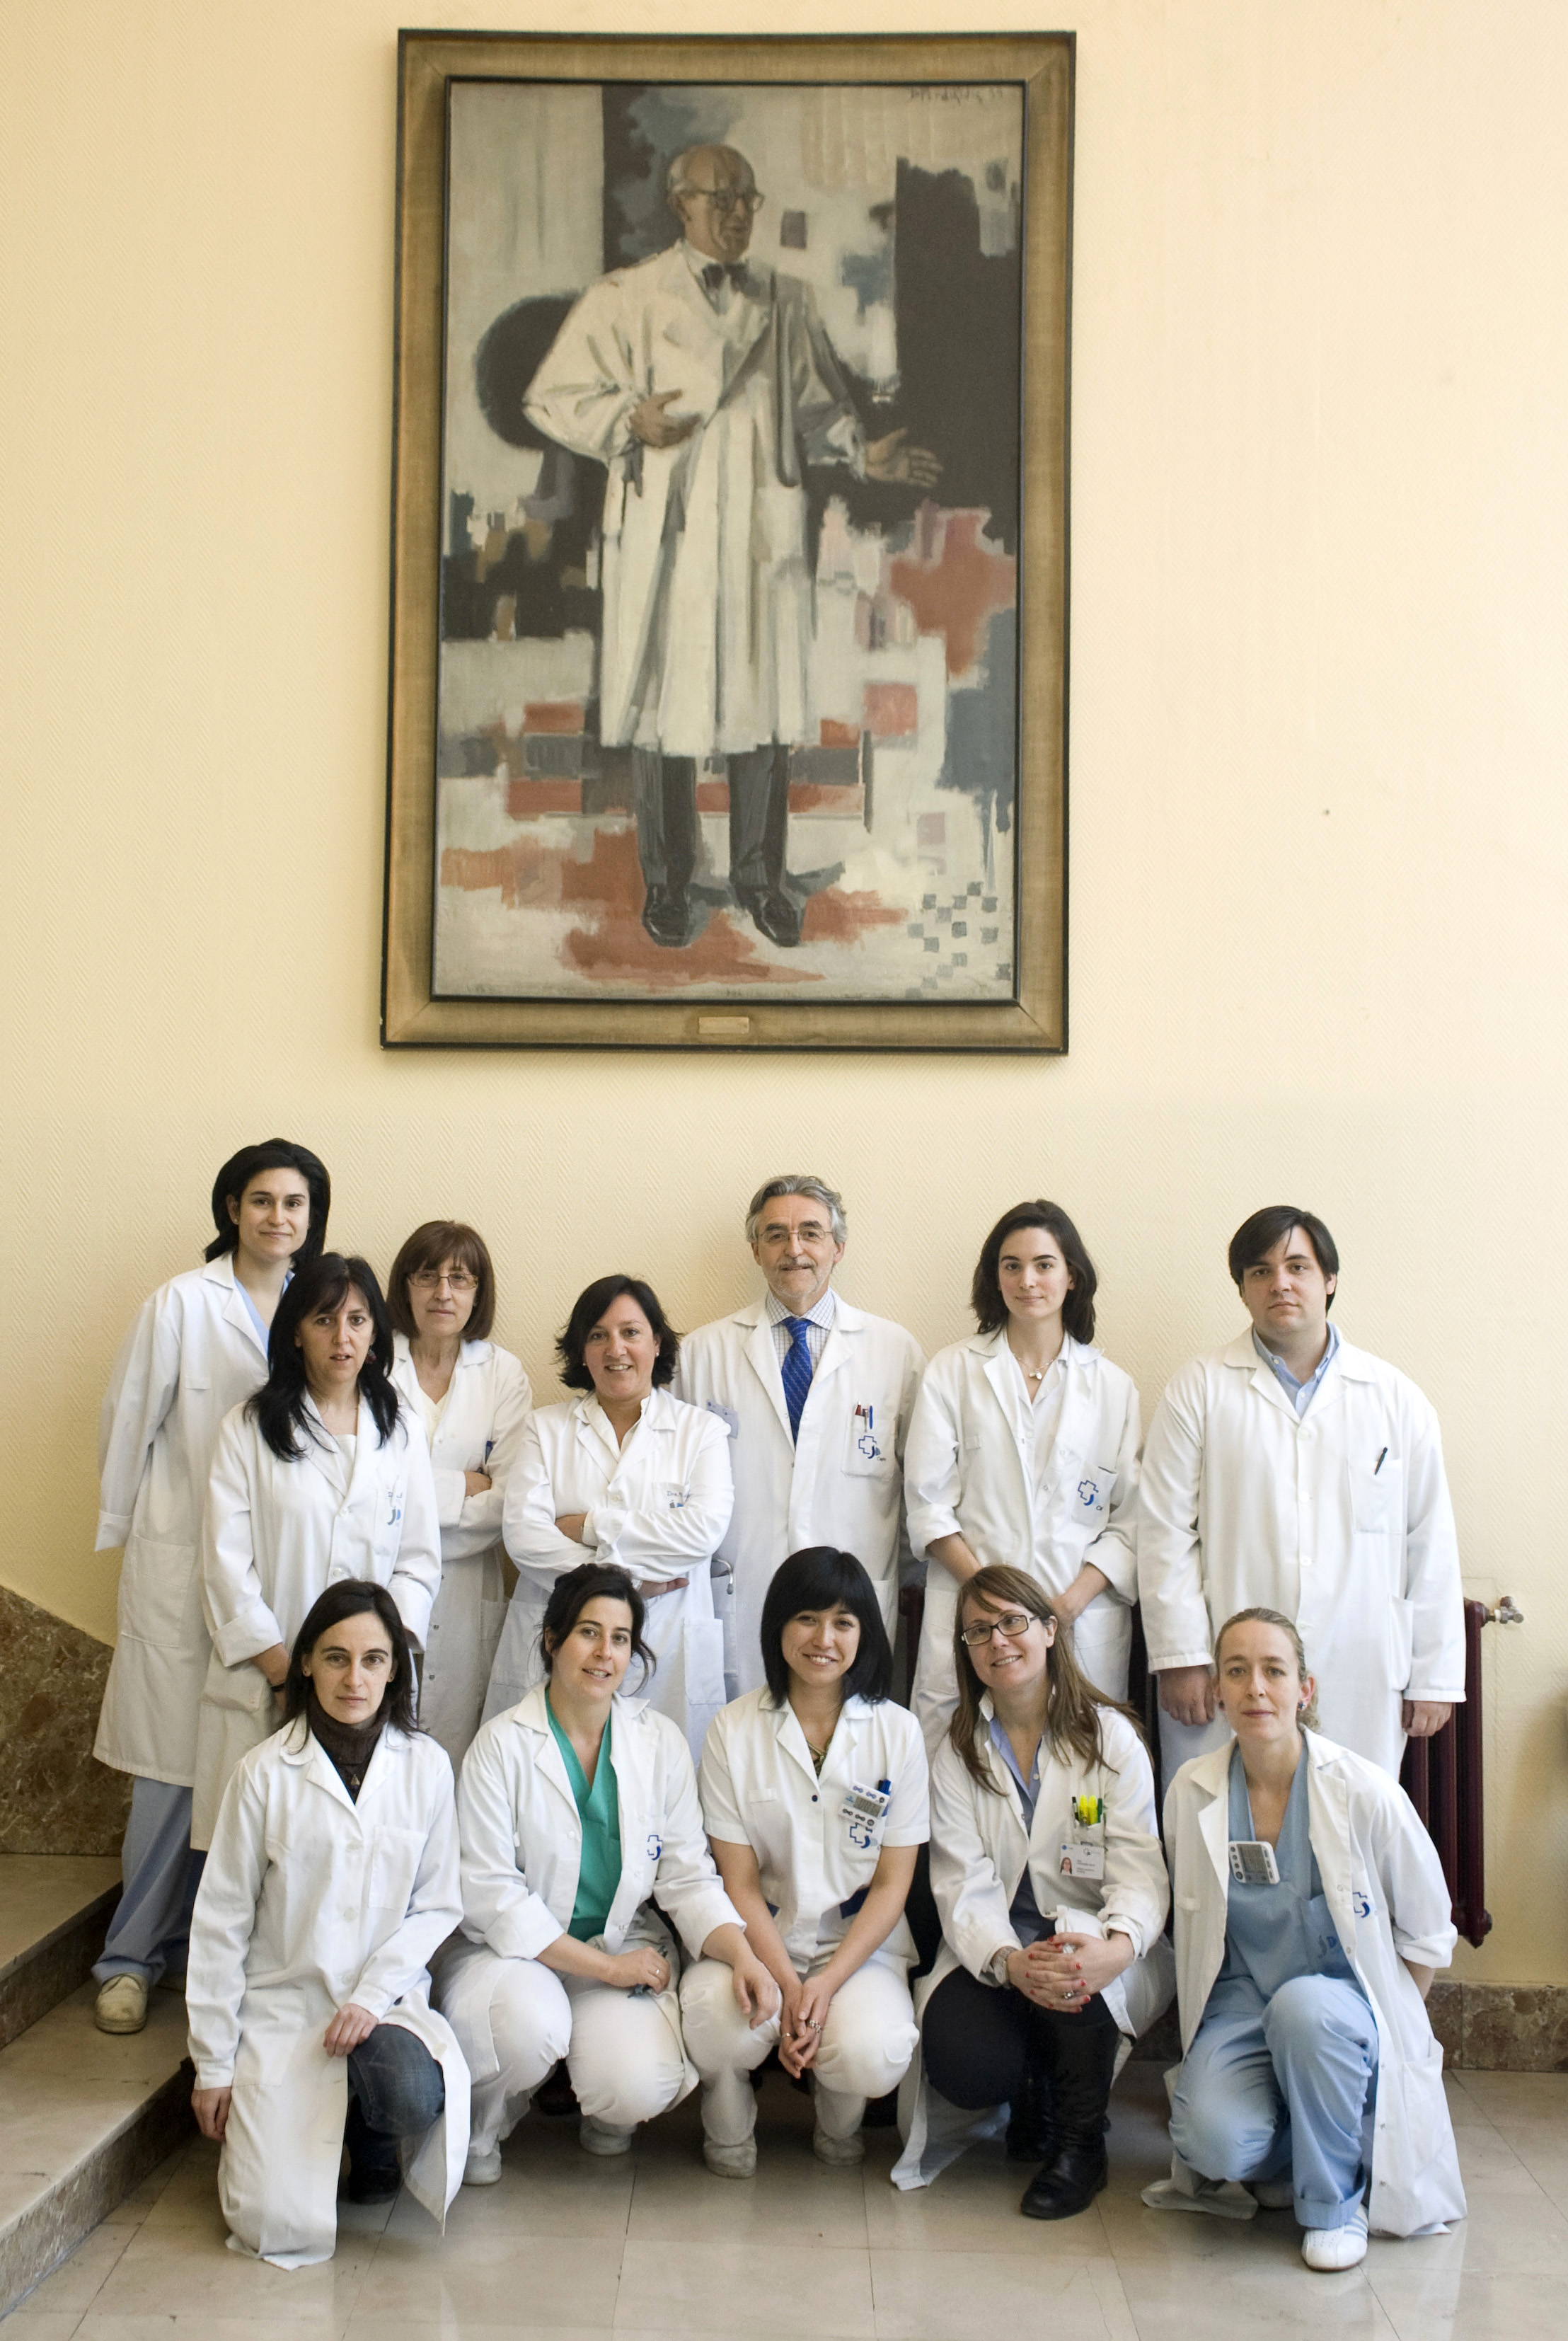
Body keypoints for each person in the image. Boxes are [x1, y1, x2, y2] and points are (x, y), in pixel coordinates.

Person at [524, 143, 940, 950]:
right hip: (669, 532)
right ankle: (668, 881)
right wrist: (625, 420)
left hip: (757, 530)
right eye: (721, 198)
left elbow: (819, 411)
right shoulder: (626, 297)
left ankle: (760, 878)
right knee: (664, 710)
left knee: (763, 705)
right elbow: (552, 396)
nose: (738, 212)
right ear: (679, 204)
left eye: (747, 198)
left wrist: (864, 454)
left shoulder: (786, 300)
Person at [91, 1139, 330, 2037]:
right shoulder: (182, 1303)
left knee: (249, 1784)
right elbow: (127, 1419)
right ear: (232, 1207)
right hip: (181, 1565)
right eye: (262, 1199)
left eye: (295, 1202)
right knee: (169, 1780)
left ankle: (209, 1954)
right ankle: (127, 1958)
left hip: (274, 1582)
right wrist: (128, 1530)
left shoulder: (318, 1307)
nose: (278, 1217)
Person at [1146, 1608, 1465, 2269]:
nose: (1256, 1688)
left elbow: (1429, 1931)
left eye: (1274, 1670)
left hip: (1339, 2012)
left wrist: (1390, 2029)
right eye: (1237, 1671)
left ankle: (1334, 2207)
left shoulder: (1364, 1791)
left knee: (1304, 2009)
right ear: (1218, 1690)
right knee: (1210, 2141)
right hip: (1242, 2002)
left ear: (1305, 1688)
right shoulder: (1192, 1791)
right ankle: (1295, 2149)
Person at [438, 1564, 778, 2180]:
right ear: (552, 1640)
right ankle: (482, 2127)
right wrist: (609, 1970)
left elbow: (688, 1877)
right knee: (527, 2024)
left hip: (616, 1945)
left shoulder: (659, 1743)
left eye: (620, 1638)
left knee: (634, 2084)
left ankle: (607, 2111)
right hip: (514, 1958)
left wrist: (744, 1954)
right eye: (588, 1633)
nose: (605, 1654)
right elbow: (492, 1897)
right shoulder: (500, 1746)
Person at [186, 1581, 469, 2270]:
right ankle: (298, 2124)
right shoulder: (263, 1773)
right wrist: (213, 2065)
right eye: (337, 1657)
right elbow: (221, 1922)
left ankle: (372, 2141)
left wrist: (370, 1997)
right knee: (268, 2223)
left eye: (374, 1659)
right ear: (306, 1661)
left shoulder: (426, 1767)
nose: (354, 1678)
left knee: (408, 2090)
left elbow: (437, 1905)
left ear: (395, 1669)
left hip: (384, 2003)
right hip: (285, 2009)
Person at [1137, 1205, 1465, 1781]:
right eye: (1260, 1272)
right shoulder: (1198, 1388)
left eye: (1297, 1267)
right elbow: (1164, 1530)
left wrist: (1434, 1676)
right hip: (1227, 1668)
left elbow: (1429, 1539)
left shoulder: (1395, 1399)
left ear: (1329, 1280)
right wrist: (1182, 1657)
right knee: (1223, 1817)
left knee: (1350, 1816)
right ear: (1242, 1289)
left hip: (1359, 1662)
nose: (1280, 1284)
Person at [893, 1566, 1173, 2214]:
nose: (998, 1640)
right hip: (1004, 1946)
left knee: (1074, 1969)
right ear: (967, 1651)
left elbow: (1140, 1869)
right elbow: (961, 1882)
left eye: (1013, 1622)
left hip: (1092, 1937)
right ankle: (1031, 2091)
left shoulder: (1110, 1738)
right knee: (964, 2061)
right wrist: (1010, 1961)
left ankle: (1081, 2146)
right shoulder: (958, 1752)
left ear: (1050, 1630)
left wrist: (1117, 1948)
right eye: (978, 1631)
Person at [682, 1546, 928, 2177]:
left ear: (865, 1634)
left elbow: (892, 1885)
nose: (824, 1639)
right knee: (715, 2022)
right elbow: (738, 1881)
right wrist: (790, 1986)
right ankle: (729, 2117)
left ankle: (837, 2115)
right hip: (759, 1934)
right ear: (778, 1626)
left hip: (857, 1942)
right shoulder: (732, 1729)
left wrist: (823, 1984)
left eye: (844, 1622)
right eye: (808, 1619)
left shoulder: (897, 1732)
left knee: (873, 2051)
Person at [192, 1253, 442, 1849]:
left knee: (356, 1851)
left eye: (357, 1320)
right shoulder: (248, 1428)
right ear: (296, 1332)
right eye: (324, 1320)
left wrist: (374, 1662)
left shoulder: (401, 1431)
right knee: (255, 1852)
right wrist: (286, 1674)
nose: (342, 1337)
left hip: (364, 1686)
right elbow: (225, 1565)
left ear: (376, 1334)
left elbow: (417, 1560)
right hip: (269, 1680)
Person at [904, 1200, 1141, 1756]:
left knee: (1083, 1771)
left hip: (1077, 1616)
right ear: (995, 1277)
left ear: (1072, 1276)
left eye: (1043, 1265)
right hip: (970, 1608)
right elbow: (929, 1506)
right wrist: (994, 1604)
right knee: (958, 1764)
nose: (1027, 1280)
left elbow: (1130, 1523)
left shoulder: (1113, 1388)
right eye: (1011, 1266)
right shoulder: (953, 1372)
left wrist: (1067, 1606)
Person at [674, 1175, 924, 1696]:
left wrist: (897, 1575)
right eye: (775, 1235)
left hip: (855, 1595)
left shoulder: (894, 1351)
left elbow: (918, 1493)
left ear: (838, 1248)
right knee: (743, 1733)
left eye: (811, 1233)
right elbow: (675, 1486)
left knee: (849, 1735)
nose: (794, 1249)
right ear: (755, 1250)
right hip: (742, 1591)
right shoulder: (700, 1355)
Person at [486, 1274, 731, 1760]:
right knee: (548, 1784)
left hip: (668, 1646)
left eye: (631, 1332)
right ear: (581, 1351)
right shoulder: (544, 1429)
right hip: (560, 1649)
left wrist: (590, 1528)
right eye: (598, 1335)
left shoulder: (701, 1432)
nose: (615, 1349)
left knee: (662, 1783)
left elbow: (702, 1533)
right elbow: (525, 1539)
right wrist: (630, 1583)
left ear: (657, 1343)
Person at [387, 1220, 534, 1768]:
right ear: (405, 1286)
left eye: (460, 1279)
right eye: (427, 1276)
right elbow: (358, 1494)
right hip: (380, 1581)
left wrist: (403, 1510)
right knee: (377, 1743)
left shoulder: (503, 1374)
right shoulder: (373, 1364)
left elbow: (508, 1504)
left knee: (455, 1759)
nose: (443, 1293)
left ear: (479, 1292)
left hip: (468, 1594)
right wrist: (462, 1485)